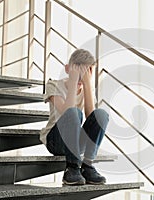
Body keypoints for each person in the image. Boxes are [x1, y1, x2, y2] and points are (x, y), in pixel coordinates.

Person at [39, 49, 109, 185]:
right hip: (56, 141)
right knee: (74, 113)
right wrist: (72, 83)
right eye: (78, 71)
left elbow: (92, 118)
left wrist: (88, 85)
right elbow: (67, 112)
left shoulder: (86, 88)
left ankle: (87, 166)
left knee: (101, 114)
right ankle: (72, 167)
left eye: (85, 73)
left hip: (76, 142)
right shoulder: (53, 85)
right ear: (67, 69)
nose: (80, 77)